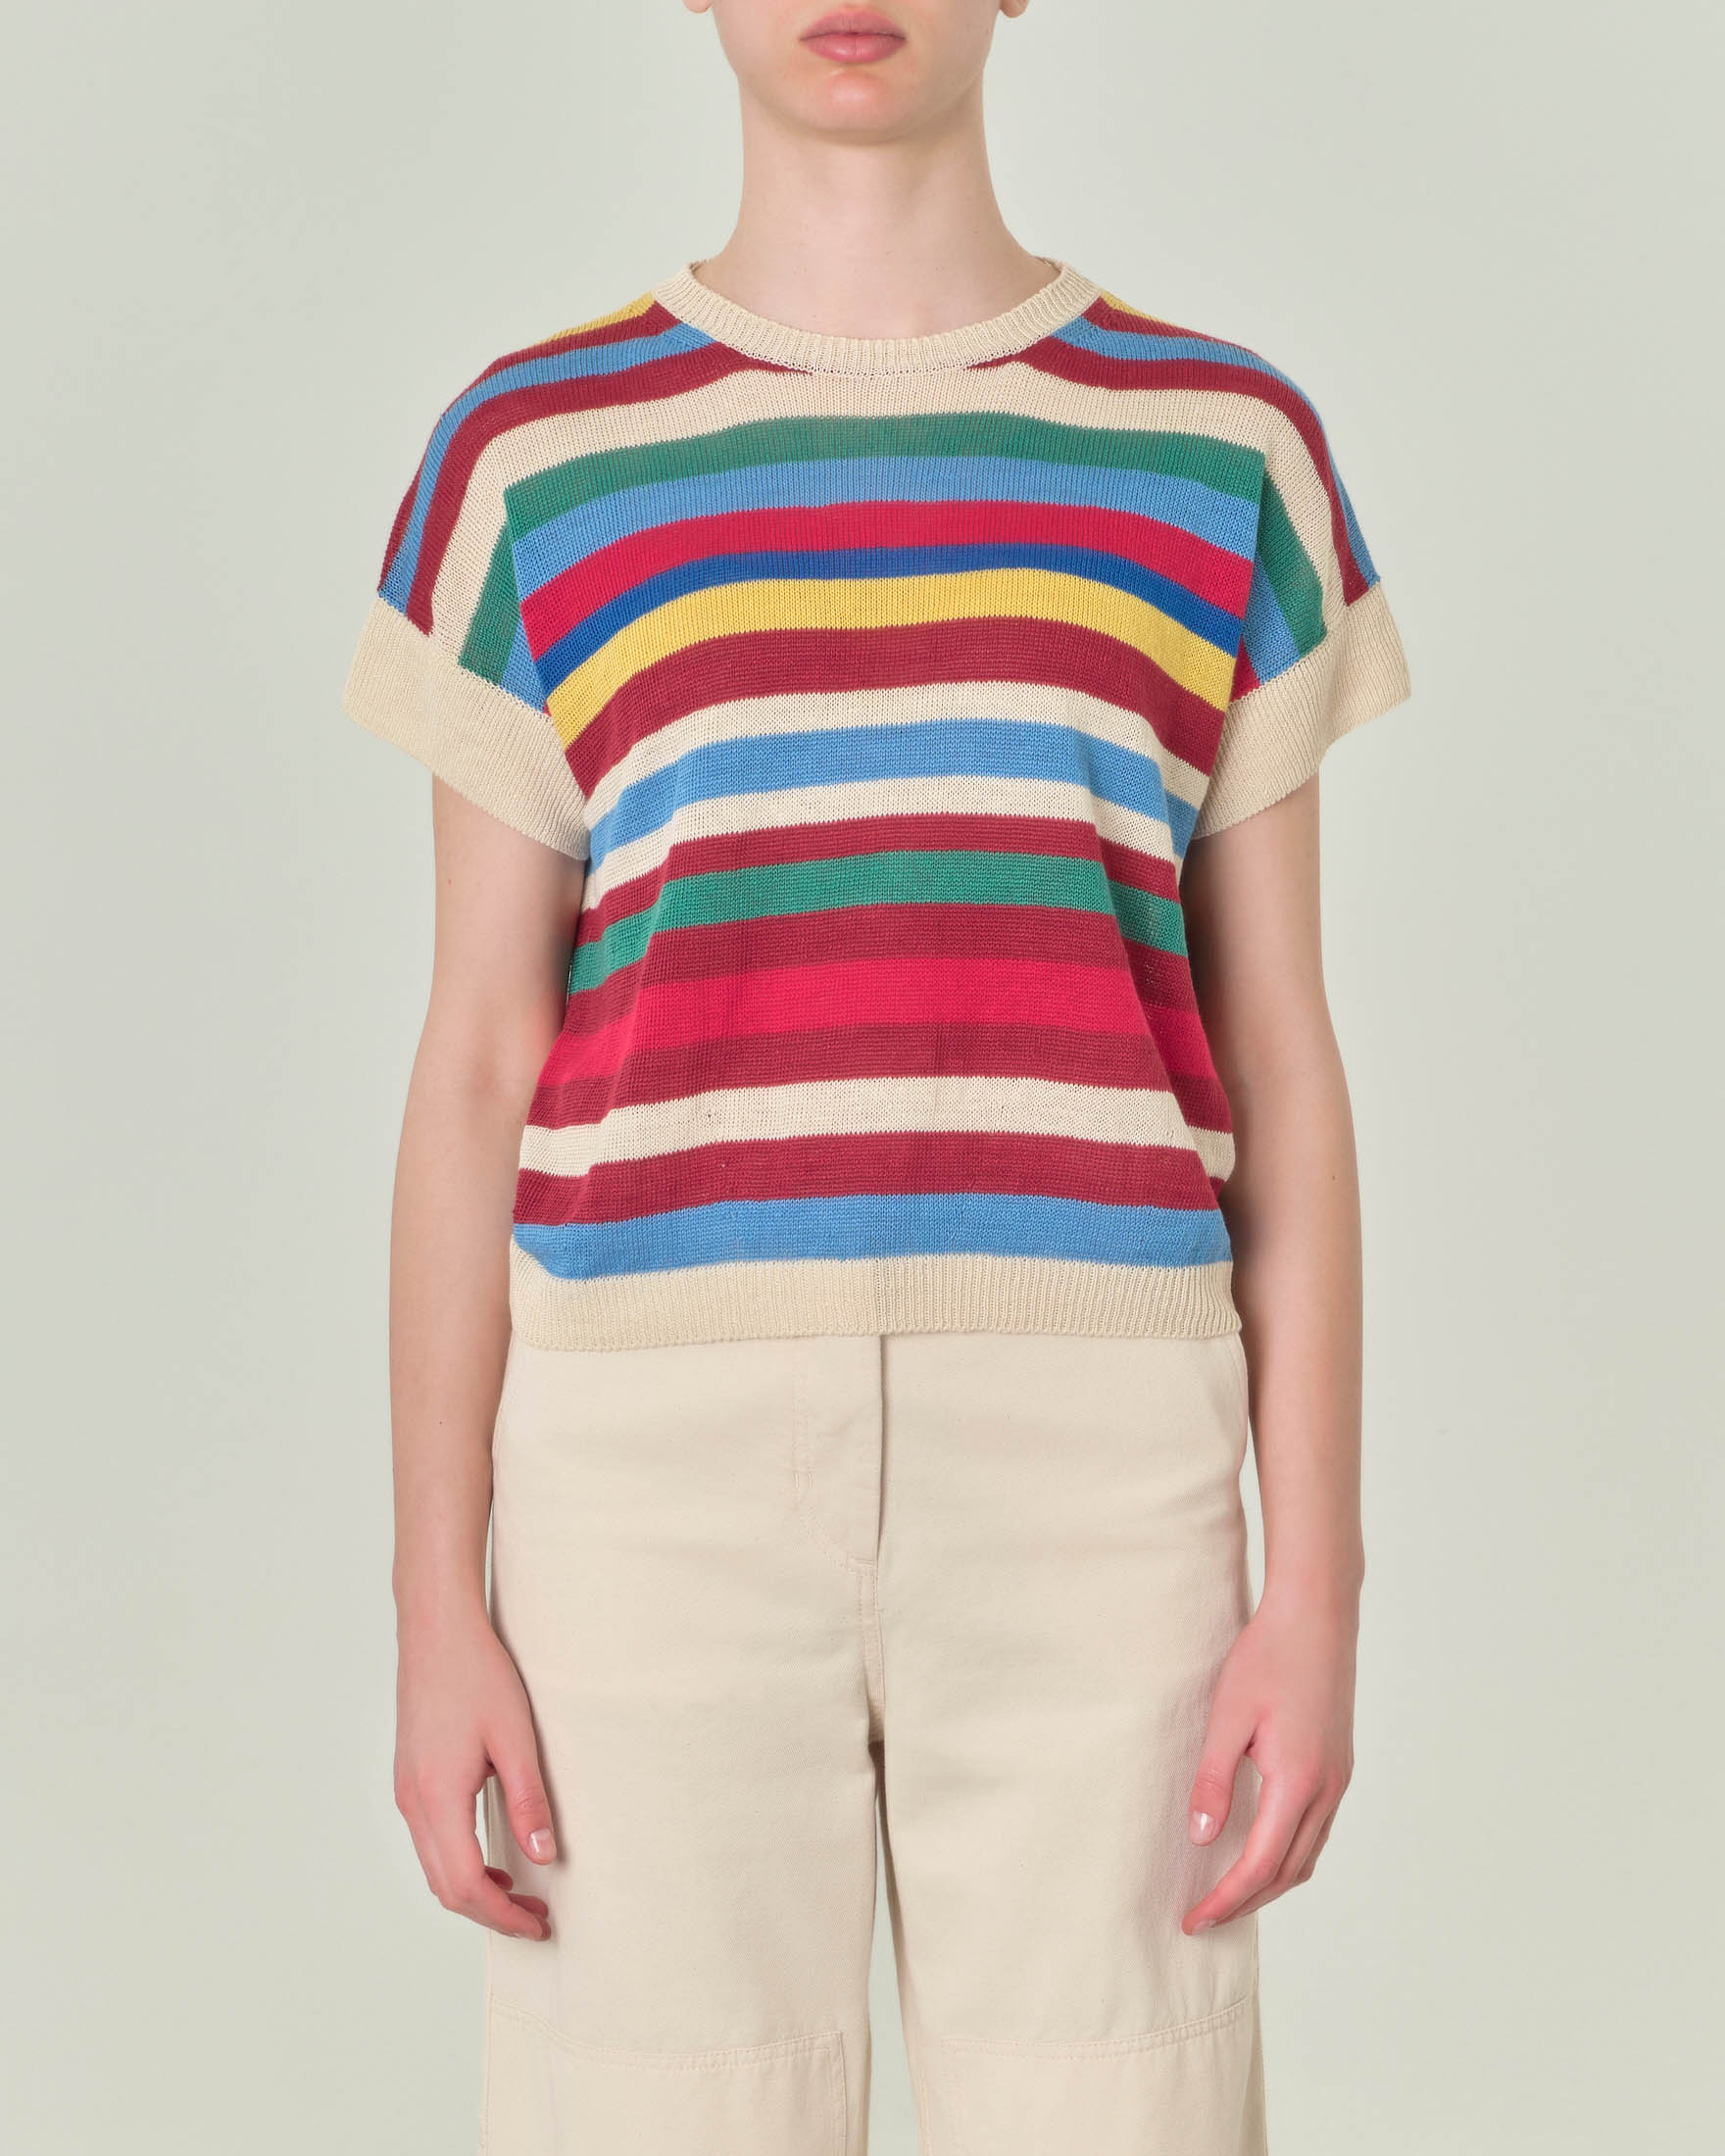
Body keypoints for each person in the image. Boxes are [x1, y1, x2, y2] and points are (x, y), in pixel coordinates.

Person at [339, 4, 1411, 2149]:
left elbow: (1280, 1058)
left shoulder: (1222, 446)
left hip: (1103, 1470)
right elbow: (475, 1064)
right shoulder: (528, 457)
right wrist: (433, 1599)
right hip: (647, 1475)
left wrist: (1315, 1589)